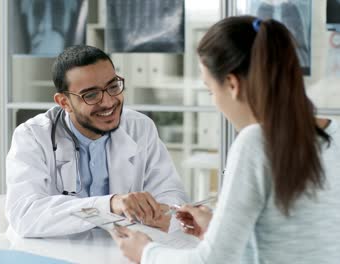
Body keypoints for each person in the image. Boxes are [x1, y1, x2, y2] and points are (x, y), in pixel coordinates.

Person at [112, 16, 340, 264]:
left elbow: (212, 261)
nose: (215, 101)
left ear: (232, 84)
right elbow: (301, 241)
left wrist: (145, 251)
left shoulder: (255, 143)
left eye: (211, 90)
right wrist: (216, 229)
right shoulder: (335, 132)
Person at [5, 45, 188, 237]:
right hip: (48, 252)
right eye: (91, 95)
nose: (108, 102)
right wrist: (110, 204)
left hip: (119, 250)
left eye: (113, 86)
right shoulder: (32, 136)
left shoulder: (141, 128)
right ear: (64, 103)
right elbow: (25, 215)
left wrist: (161, 211)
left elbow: (171, 193)